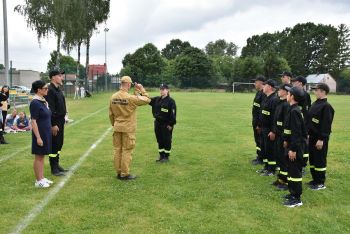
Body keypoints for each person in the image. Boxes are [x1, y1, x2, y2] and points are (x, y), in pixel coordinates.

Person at [109, 76, 151, 180]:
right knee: (127, 150)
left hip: (117, 127)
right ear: (128, 84)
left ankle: (119, 172)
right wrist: (141, 89)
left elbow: (110, 114)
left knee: (117, 150)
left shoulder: (113, 97)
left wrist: (114, 124)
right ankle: (125, 174)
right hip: (128, 128)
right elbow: (147, 100)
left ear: (121, 83)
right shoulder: (129, 98)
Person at [282, 86, 307, 207]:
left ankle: (297, 198)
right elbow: (289, 130)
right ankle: (292, 193)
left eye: (288, 93)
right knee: (291, 170)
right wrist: (286, 140)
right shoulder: (292, 109)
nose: (287, 95)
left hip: (296, 147)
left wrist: (293, 149)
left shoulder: (295, 111)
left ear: (292, 96)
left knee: (295, 172)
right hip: (291, 144)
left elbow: (297, 133)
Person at [307, 83, 335, 190]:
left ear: (323, 92)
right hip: (312, 137)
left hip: (319, 139)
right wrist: (308, 134)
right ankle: (315, 180)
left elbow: (326, 125)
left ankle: (320, 183)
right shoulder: (315, 103)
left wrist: (321, 139)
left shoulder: (326, 107)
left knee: (320, 160)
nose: (315, 92)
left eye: (316, 90)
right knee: (313, 159)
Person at [30, 80, 53, 188]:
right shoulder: (35, 102)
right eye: (45, 88)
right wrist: (38, 137)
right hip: (39, 134)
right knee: (38, 156)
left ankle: (42, 177)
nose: (47, 90)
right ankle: (38, 180)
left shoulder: (43, 101)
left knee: (42, 156)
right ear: (39, 90)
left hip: (45, 132)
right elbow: (33, 121)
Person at [45, 69, 68, 176]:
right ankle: (53, 168)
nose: (61, 77)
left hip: (61, 120)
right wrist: (53, 124)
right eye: (59, 75)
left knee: (59, 143)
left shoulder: (58, 89)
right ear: (53, 77)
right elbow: (50, 109)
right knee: (54, 144)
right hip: (55, 122)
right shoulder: (50, 90)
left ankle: (57, 164)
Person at [149, 84, 177, 162]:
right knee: (159, 139)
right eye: (160, 89)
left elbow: (173, 114)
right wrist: (140, 92)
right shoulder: (157, 99)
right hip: (157, 123)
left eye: (163, 89)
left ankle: (166, 157)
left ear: (167, 90)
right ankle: (161, 155)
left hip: (166, 124)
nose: (161, 91)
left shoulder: (171, 101)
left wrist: (171, 124)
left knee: (166, 139)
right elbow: (148, 100)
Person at [271, 84, 291, 190]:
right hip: (278, 135)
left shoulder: (286, 105)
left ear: (286, 92)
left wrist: (285, 137)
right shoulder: (279, 103)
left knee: (284, 159)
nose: (278, 91)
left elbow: (286, 123)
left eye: (281, 89)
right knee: (279, 158)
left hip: (283, 136)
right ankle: (281, 179)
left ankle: (286, 182)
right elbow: (276, 120)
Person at [258, 79, 279, 176]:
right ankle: (266, 167)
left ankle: (272, 169)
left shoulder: (274, 99)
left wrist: (273, 131)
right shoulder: (266, 97)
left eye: (264, 85)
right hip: (264, 128)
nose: (263, 87)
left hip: (270, 130)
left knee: (271, 150)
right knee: (265, 148)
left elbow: (275, 117)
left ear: (270, 87)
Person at [291, 76, 312, 171]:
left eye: (295, 82)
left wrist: (306, 128)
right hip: (294, 124)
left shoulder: (305, 95)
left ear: (300, 83)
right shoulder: (293, 92)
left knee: (302, 146)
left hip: (302, 125)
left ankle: (302, 165)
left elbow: (306, 112)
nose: (293, 83)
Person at [250, 76, 266, 165]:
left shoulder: (263, 94)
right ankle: (259, 156)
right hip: (255, 121)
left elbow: (262, 111)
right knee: (257, 139)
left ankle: (261, 158)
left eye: (255, 82)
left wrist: (259, 124)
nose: (254, 84)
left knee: (260, 140)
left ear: (260, 82)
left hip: (259, 122)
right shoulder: (258, 93)